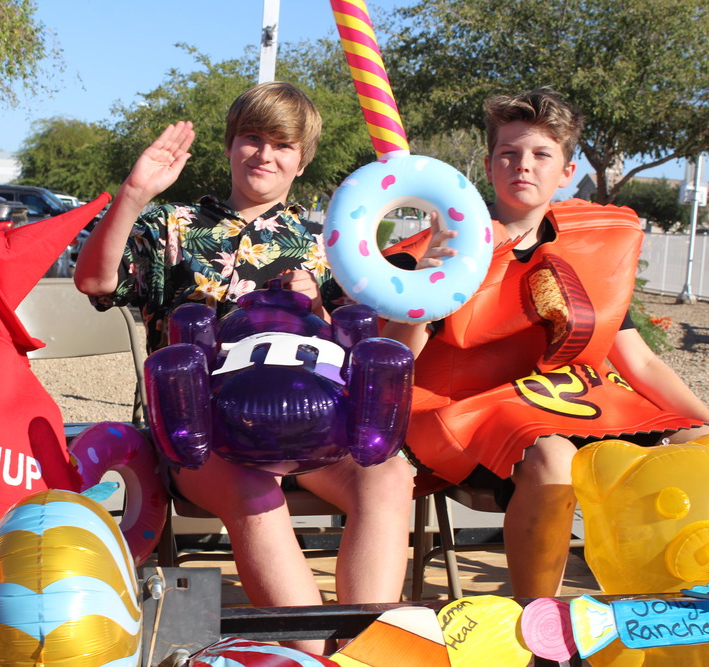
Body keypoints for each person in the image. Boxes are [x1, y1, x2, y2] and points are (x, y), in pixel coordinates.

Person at [75, 81, 413, 655]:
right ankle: (310, 655)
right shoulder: (172, 227)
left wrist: (322, 307)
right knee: (257, 490)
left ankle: (364, 647)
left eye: (281, 145)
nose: (264, 154)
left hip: (313, 427)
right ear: (230, 146)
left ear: (301, 160)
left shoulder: (324, 241)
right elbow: (95, 282)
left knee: (387, 475)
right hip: (205, 435)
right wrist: (132, 195)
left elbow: (359, 345)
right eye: (252, 139)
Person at [382, 88, 709, 599]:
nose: (523, 166)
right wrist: (425, 290)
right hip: (471, 417)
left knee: (700, 450)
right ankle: (538, 628)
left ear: (567, 170)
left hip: (581, 404)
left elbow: (639, 360)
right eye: (508, 154)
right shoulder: (432, 252)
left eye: (541, 154)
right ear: (488, 166)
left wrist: (705, 423)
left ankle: (670, 613)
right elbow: (393, 363)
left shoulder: (591, 252)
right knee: (553, 456)